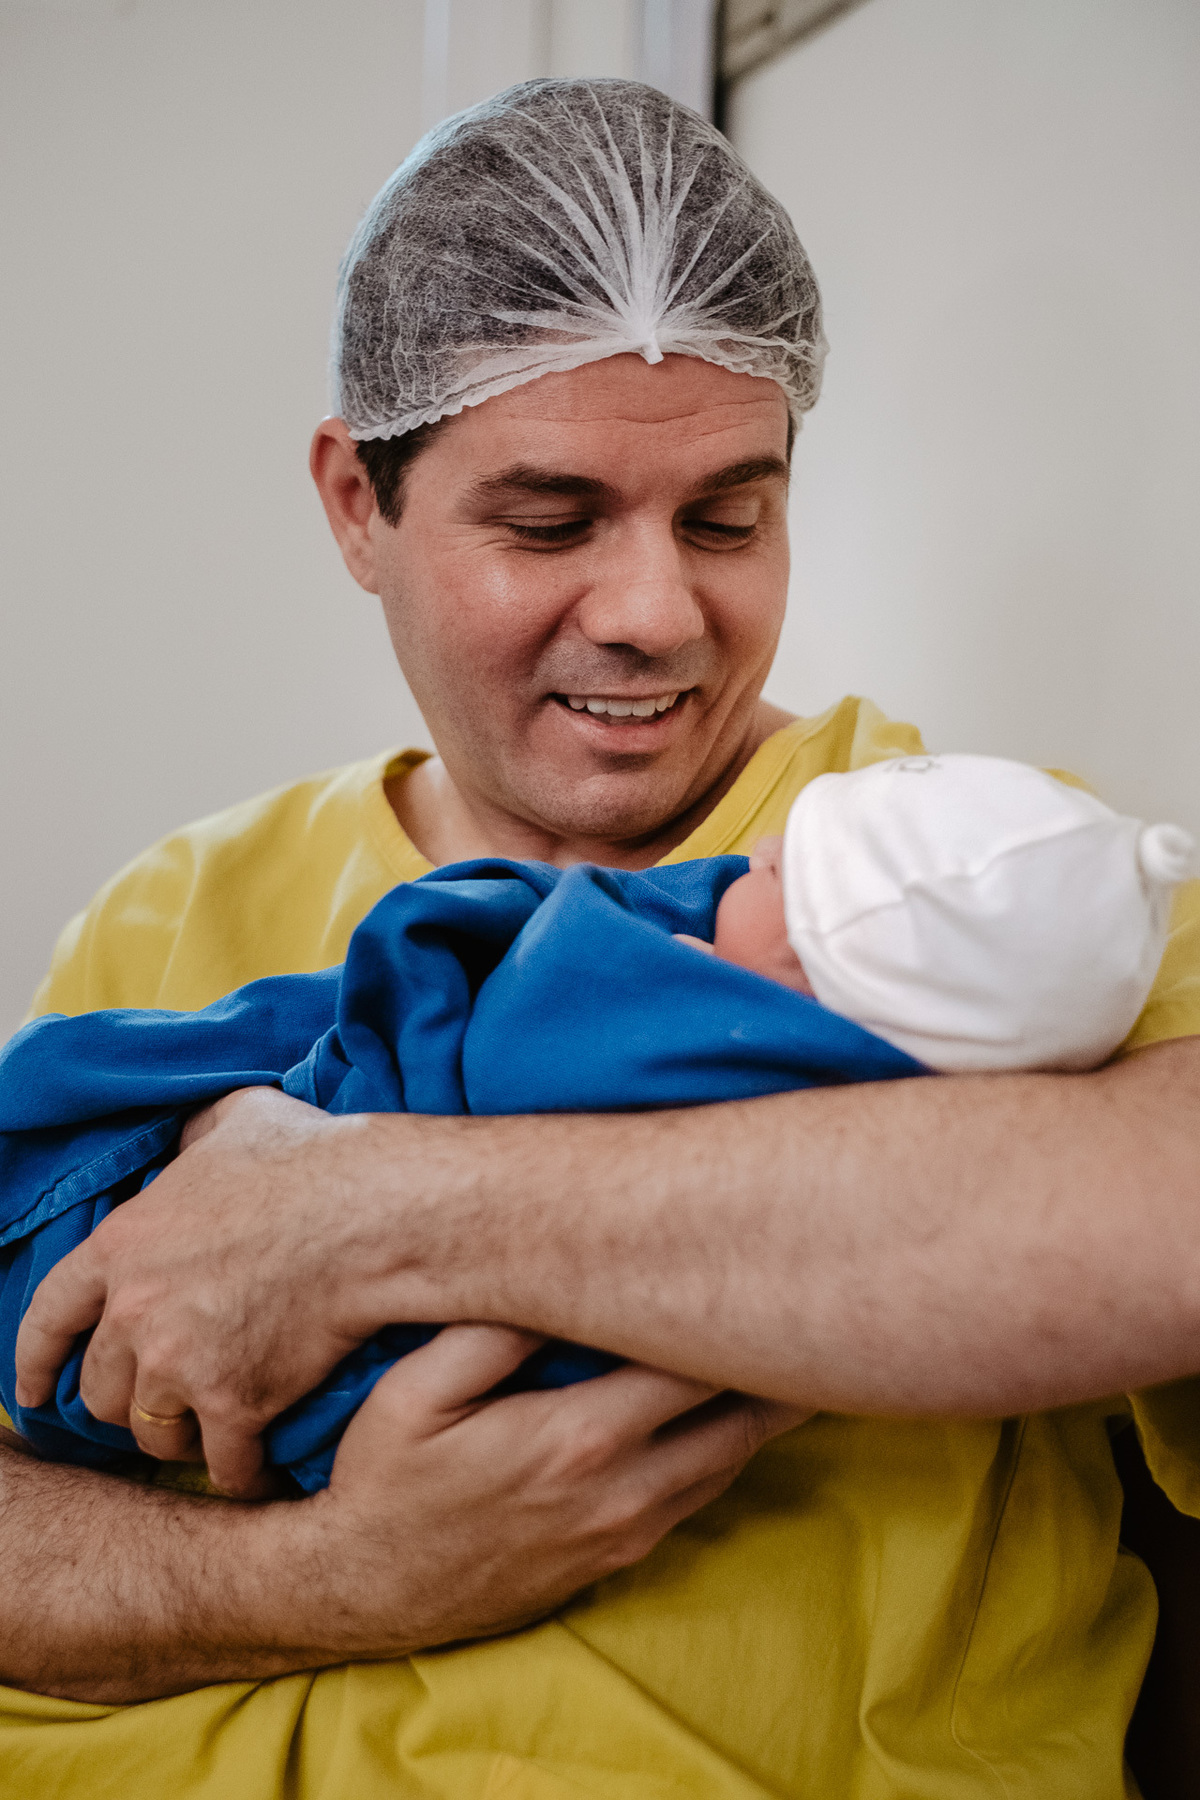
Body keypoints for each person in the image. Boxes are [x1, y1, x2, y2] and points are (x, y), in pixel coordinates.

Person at [2, 75, 1200, 1800]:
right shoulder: (169, 910)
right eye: (549, 522)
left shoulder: (975, 882)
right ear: (359, 504)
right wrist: (326, 1584)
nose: (651, 615)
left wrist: (357, 1221)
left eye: (728, 516)